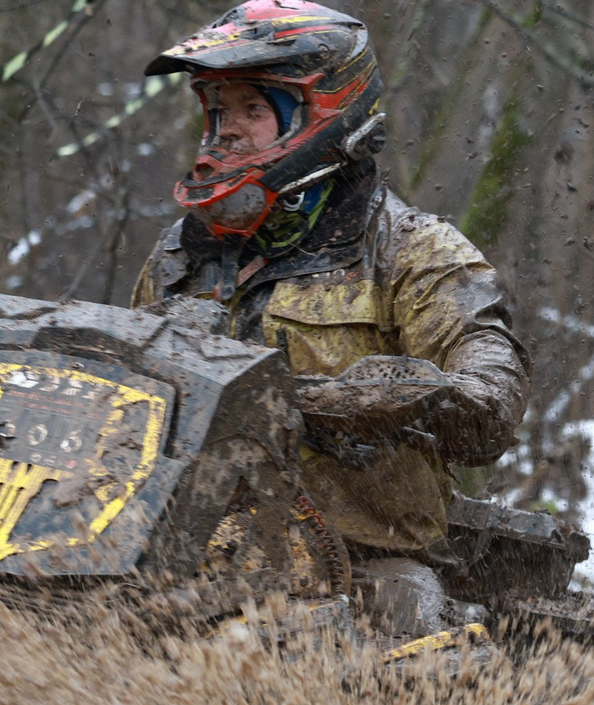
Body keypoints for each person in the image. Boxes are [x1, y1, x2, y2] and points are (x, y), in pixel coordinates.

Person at [132, 2, 529, 635]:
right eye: (216, 111)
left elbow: (494, 406)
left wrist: (400, 395)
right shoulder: (182, 255)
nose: (226, 132)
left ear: (321, 116)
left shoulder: (414, 253)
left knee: (393, 635)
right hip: (183, 550)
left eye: (253, 110)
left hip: (360, 567)